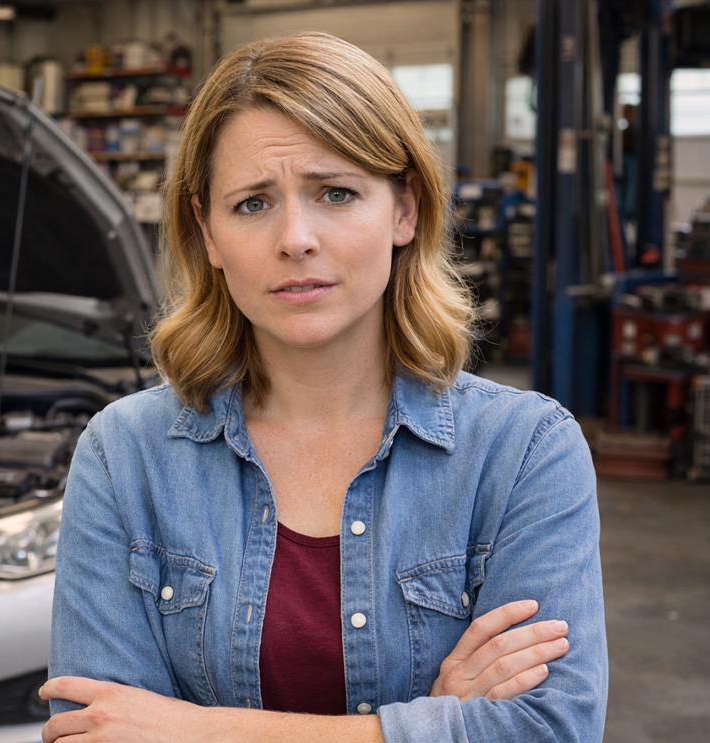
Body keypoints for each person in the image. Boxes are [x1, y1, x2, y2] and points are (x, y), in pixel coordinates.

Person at [41, 33, 606, 743]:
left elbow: (549, 730)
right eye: (251, 203)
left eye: (335, 192)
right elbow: (97, 731)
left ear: (403, 210)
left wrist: (197, 729)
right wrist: (437, 721)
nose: (295, 237)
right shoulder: (125, 455)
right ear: (206, 233)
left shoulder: (523, 450)